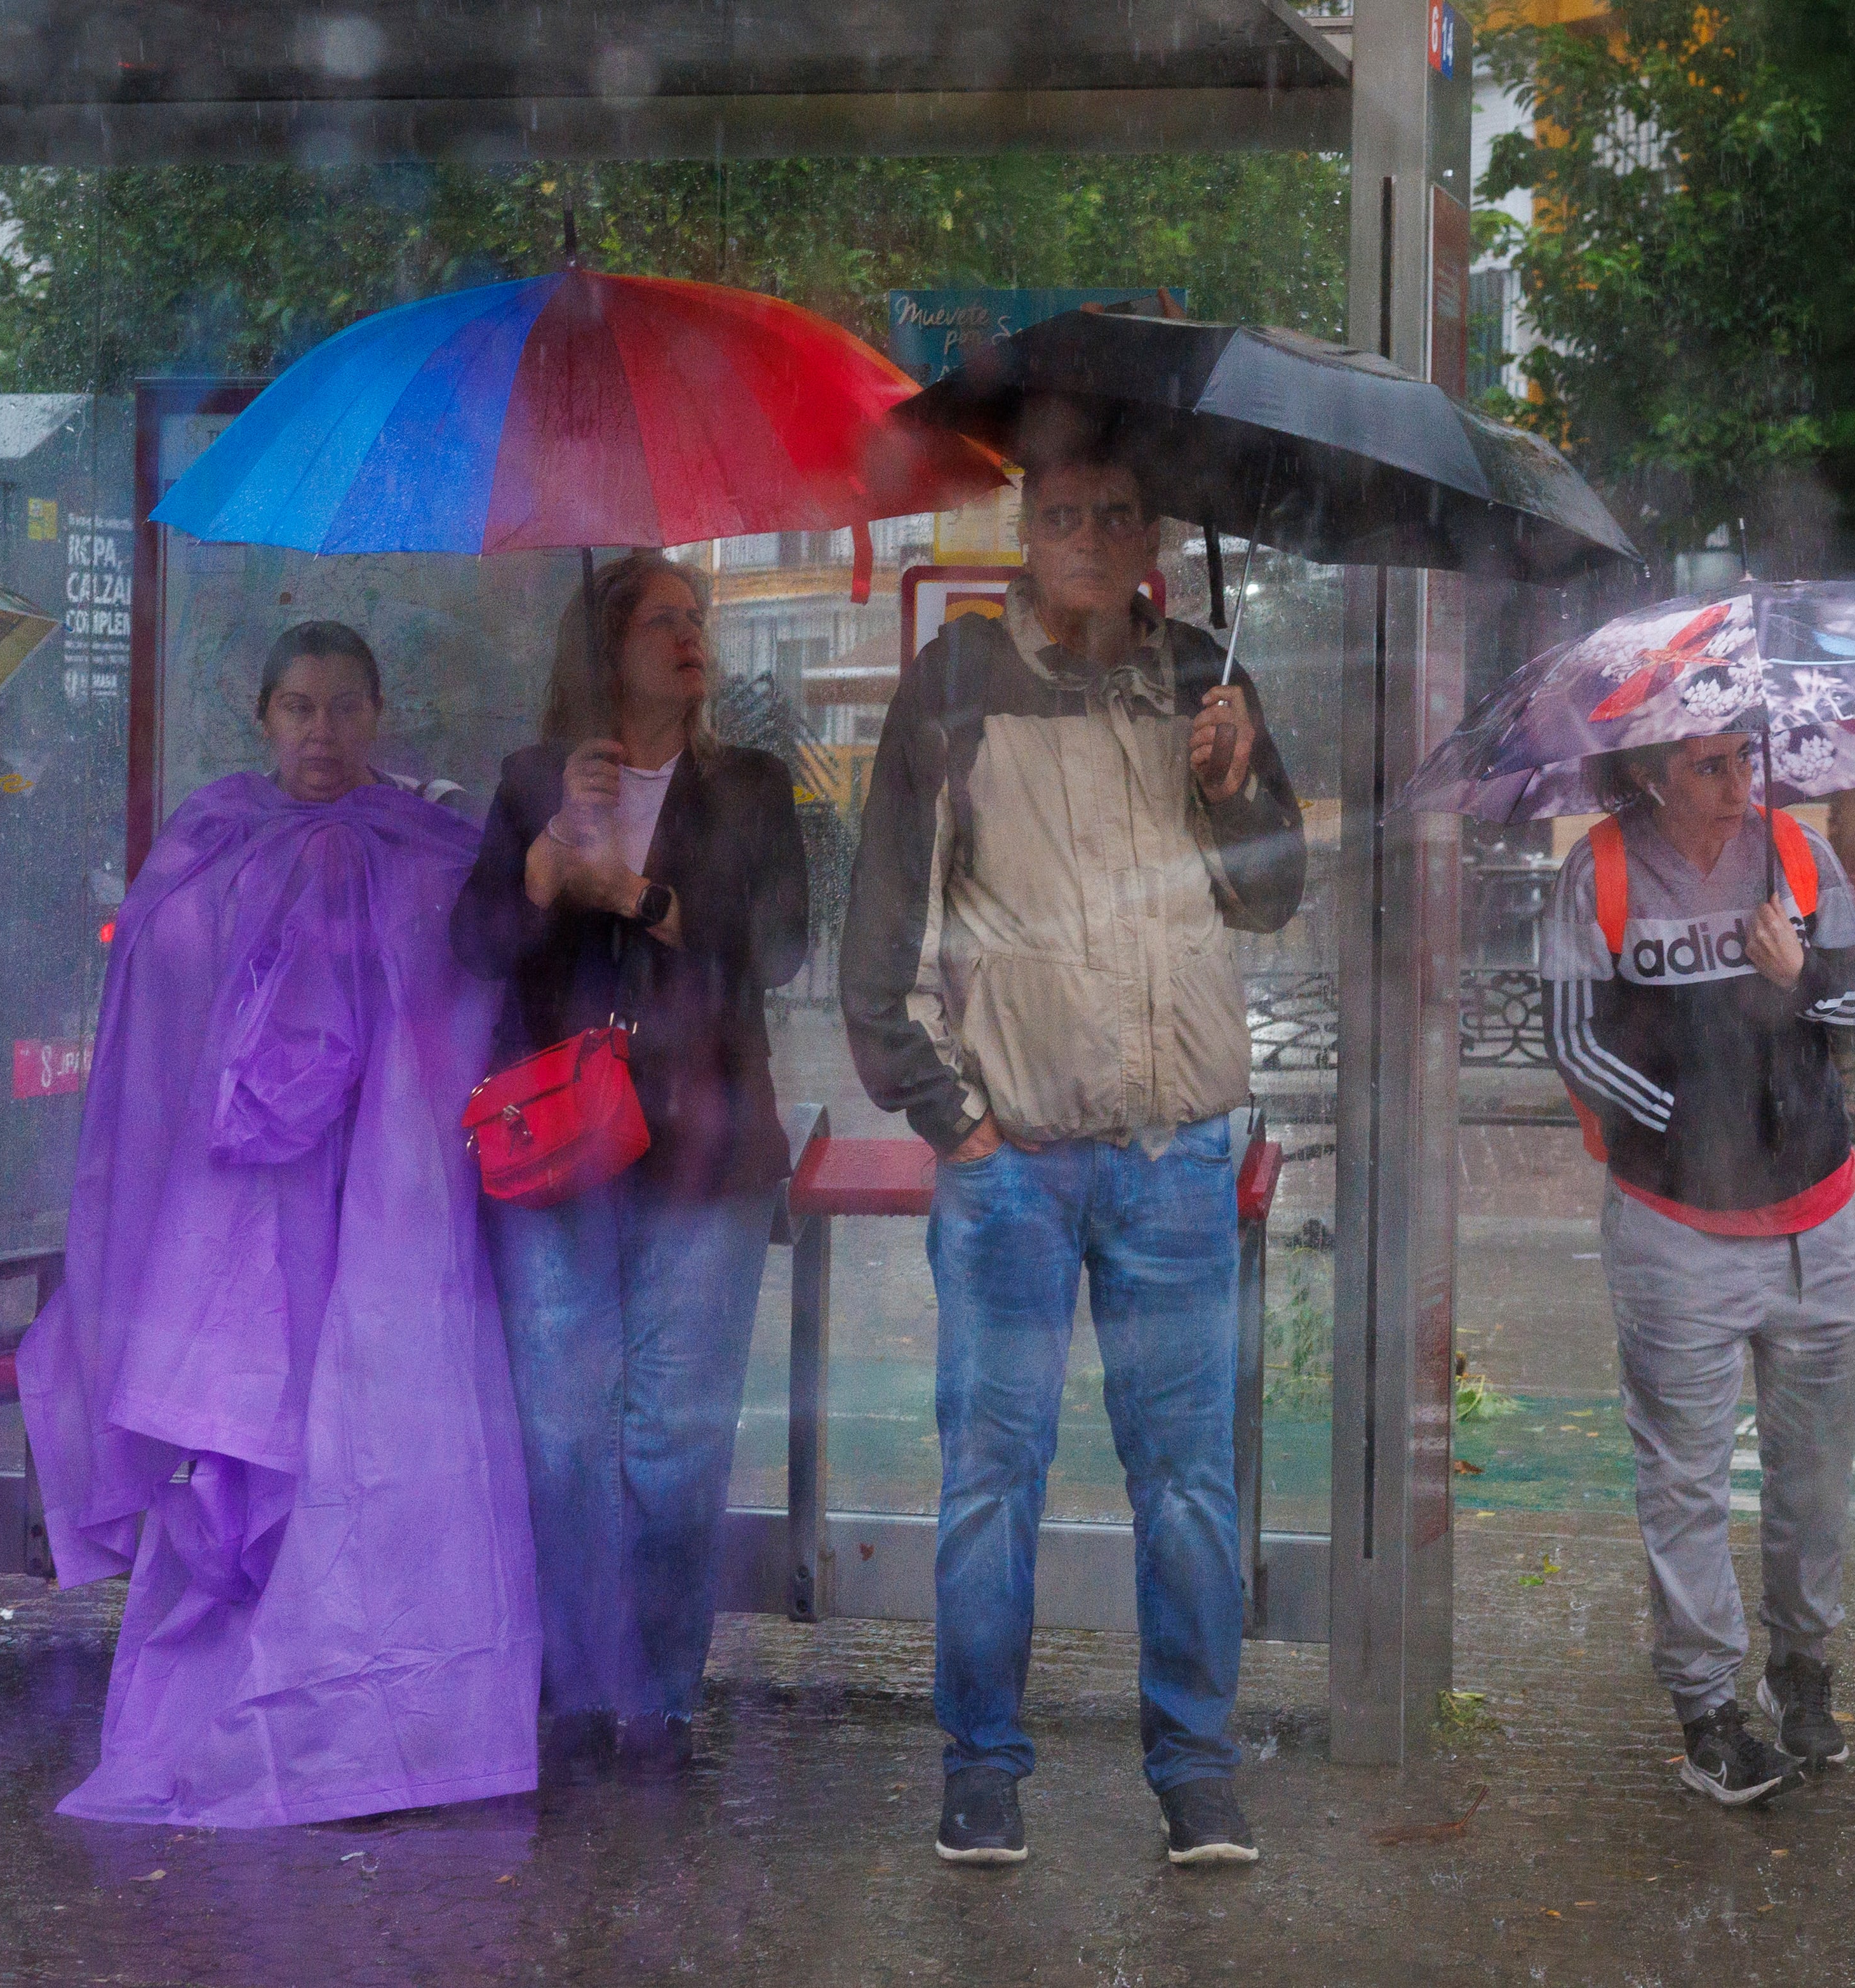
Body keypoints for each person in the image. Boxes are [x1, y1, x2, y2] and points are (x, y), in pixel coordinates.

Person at [840, 441, 1306, 1867]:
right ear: (1022, 530)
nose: (1089, 536)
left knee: (1186, 1478)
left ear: (1152, 527)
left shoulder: (1204, 672)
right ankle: (980, 1764)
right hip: (1015, 1162)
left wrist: (1231, 784)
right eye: (1061, 515)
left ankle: (1195, 1767)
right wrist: (952, 1120)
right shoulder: (958, 683)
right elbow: (880, 941)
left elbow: (1271, 892)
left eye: (1114, 512)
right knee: (992, 1471)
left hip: (1172, 1151)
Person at [19, 620, 540, 1826]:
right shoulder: (213, 844)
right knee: (243, 1447)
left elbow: (465, 1002)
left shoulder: (427, 852)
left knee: (361, 1437)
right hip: (240, 1216)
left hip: (380, 1211)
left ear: (378, 715)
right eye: (300, 707)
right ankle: (242, 1701)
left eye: (345, 707)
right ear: (264, 717)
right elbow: (158, 1006)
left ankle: (376, 1720)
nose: (322, 731)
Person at [451, 552, 810, 1786]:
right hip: (558, 1149)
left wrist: (639, 894)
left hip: (701, 1151)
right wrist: (551, 864)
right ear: (602, 652)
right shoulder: (531, 780)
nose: (689, 634)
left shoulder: (751, 782)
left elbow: (780, 939)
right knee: (559, 1435)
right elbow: (476, 940)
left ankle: (657, 1693)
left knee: (671, 1442)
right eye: (662, 619)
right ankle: (569, 1691)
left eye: (695, 617)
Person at [1544, 734, 1855, 1806]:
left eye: (1742, 758)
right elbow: (1571, 1039)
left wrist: (1797, 976)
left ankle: (1802, 1666)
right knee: (1684, 1481)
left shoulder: (1794, 854)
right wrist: (1684, 1119)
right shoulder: (1599, 872)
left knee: (1813, 1473)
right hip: (1675, 1234)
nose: (1736, 785)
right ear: (1651, 773)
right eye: (1706, 765)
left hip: (1823, 1229)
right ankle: (1706, 1707)